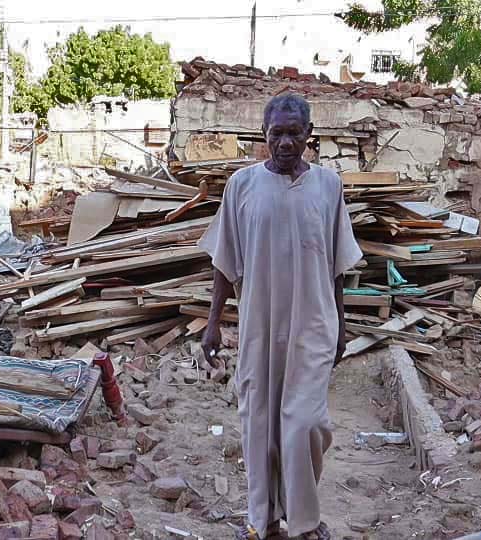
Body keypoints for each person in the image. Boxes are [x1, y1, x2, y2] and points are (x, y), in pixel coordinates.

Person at [199, 94, 362, 540]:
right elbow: (223, 260)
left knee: (305, 425)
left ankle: (304, 521)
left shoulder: (329, 187)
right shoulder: (242, 186)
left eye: (295, 133)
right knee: (259, 423)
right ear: (264, 136)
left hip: (313, 324)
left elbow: (336, 265)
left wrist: (341, 326)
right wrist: (213, 324)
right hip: (259, 325)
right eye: (277, 133)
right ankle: (264, 519)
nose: (286, 142)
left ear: (310, 135)